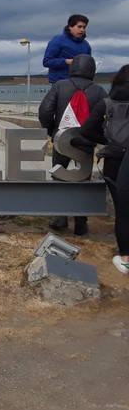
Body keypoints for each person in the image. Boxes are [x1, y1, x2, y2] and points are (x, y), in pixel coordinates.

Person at [38, 54, 107, 235]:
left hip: (63, 140)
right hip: (86, 142)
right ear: (92, 70)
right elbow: (108, 116)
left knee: (59, 177)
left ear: (73, 68)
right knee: (83, 180)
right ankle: (81, 223)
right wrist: (98, 136)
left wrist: (52, 130)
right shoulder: (99, 91)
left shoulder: (60, 86)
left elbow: (45, 110)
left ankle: (61, 217)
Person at [79, 64, 129, 275]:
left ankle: (126, 258)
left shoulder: (106, 102)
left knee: (123, 212)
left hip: (114, 160)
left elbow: (86, 130)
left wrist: (106, 141)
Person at [43, 14, 91, 83]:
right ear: (70, 27)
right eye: (79, 27)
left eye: (84, 27)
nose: (82, 30)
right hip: (61, 83)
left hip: (81, 84)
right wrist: (67, 61)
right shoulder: (57, 40)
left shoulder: (86, 45)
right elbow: (47, 61)